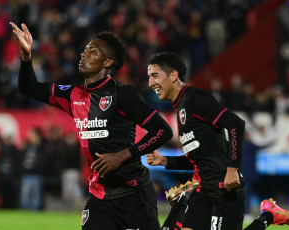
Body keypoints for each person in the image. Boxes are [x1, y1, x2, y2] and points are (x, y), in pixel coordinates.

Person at [9, 22, 173, 229]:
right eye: (85, 50)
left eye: (93, 51)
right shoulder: (72, 94)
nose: (83, 55)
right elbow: (28, 88)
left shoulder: (124, 95)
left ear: (107, 62)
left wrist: (122, 155)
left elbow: (163, 131)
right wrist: (26, 57)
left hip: (134, 194)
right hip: (100, 196)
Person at [145, 52, 289, 230]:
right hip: (202, 189)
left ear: (174, 75)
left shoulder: (194, 98)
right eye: (149, 77)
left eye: (155, 76)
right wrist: (164, 161)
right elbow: (199, 158)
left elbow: (235, 123)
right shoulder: (181, 107)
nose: (150, 83)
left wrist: (232, 169)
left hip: (224, 187)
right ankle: (271, 215)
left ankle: (269, 216)